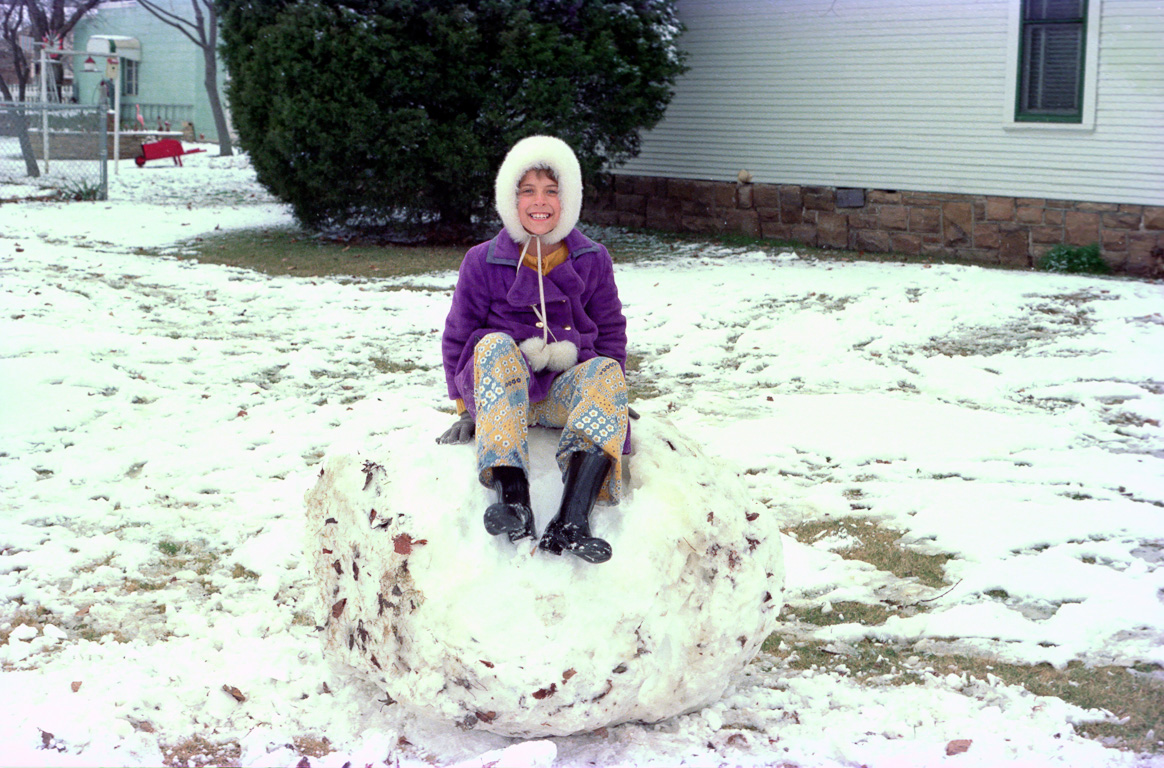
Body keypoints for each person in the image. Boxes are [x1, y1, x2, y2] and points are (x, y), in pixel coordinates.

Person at [437, 135, 630, 564]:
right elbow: (457, 335)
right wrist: (466, 408)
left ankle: (571, 520)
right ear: (511, 198)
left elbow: (611, 331)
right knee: (493, 344)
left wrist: (610, 396)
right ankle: (513, 498)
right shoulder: (481, 261)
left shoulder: (592, 258)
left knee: (605, 371)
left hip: (559, 396)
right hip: (504, 394)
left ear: (569, 199)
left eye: (551, 190)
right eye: (527, 190)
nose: (539, 201)